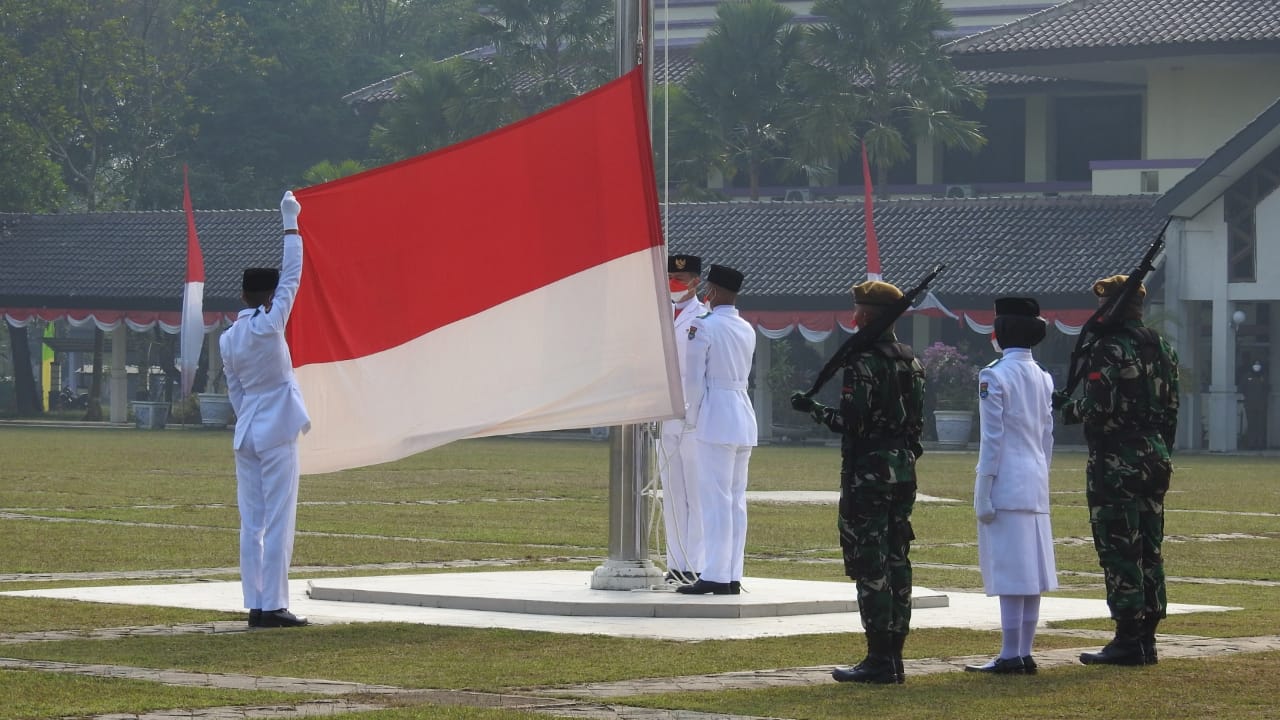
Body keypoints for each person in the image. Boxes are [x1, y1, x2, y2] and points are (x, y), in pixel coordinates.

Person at [791, 280, 925, 684]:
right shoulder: (910, 359)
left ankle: (878, 658)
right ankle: (895, 654)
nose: (853, 317)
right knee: (898, 558)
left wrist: (814, 410)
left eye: (857, 311)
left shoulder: (863, 361)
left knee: (871, 562)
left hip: (868, 470)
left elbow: (852, 422)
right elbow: (916, 424)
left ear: (866, 315)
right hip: (902, 468)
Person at [1054, 274, 1179, 665]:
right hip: (1154, 453)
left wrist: (1063, 409)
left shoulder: (1109, 348)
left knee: (1119, 546)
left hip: (1116, 458)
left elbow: (1098, 407)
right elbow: (1172, 407)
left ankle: (1127, 637)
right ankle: (1147, 638)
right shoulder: (1161, 346)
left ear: (1109, 306)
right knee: (1149, 549)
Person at [220, 191, 313, 629]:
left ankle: (256, 603)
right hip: (276, 428)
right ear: (270, 295)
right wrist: (290, 222)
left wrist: (249, 418)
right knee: (278, 520)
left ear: (242, 293)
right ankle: (274, 605)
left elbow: (235, 390)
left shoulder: (229, 337)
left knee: (251, 522)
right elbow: (294, 275)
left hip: (248, 430)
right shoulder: (271, 323)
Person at [965, 297, 1058, 675]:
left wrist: (983, 488)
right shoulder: (1043, 375)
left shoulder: (995, 375)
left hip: (1005, 480)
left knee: (1009, 572)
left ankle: (1009, 653)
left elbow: (993, 439)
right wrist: (1041, 473)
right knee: (1030, 574)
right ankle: (1023, 651)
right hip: (1034, 479)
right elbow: (1047, 435)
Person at [676, 264, 758, 596]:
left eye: (708, 287)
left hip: (715, 416)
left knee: (715, 501)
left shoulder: (703, 325)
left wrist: (689, 418)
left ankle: (714, 574)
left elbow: (694, 380)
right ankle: (731, 573)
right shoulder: (746, 327)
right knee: (736, 501)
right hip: (742, 414)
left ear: (716, 291)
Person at [659, 254, 709, 584]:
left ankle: (696, 564)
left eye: (681, 279)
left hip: (695, 414)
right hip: (667, 414)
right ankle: (675, 562)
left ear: (695, 282)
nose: (674, 285)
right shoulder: (660, 315)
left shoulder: (703, 317)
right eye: (671, 278)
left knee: (696, 492)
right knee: (672, 492)